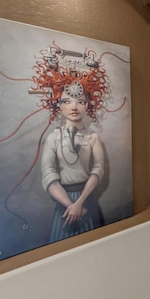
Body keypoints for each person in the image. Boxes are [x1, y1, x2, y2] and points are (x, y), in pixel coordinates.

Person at [32, 47, 109, 242]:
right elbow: (48, 175)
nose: (74, 107)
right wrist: (70, 205)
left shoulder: (93, 138)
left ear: (87, 105)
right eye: (67, 101)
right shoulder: (53, 138)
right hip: (63, 202)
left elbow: (98, 170)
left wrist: (80, 202)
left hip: (87, 199)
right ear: (59, 104)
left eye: (80, 101)